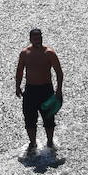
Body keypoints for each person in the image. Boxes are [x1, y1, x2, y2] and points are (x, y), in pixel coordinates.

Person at [15, 28, 64, 157]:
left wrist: (59, 90)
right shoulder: (25, 53)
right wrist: (17, 86)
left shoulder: (49, 53)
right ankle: (32, 143)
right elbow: (20, 70)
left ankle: (49, 142)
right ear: (30, 39)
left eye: (40, 37)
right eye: (35, 38)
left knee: (49, 118)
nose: (38, 40)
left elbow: (59, 72)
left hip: (46, 90)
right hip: (30, 90)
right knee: (29, 119)